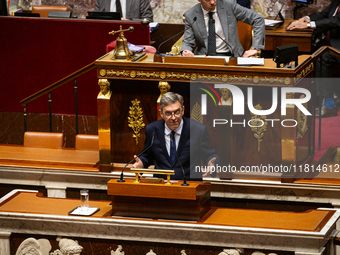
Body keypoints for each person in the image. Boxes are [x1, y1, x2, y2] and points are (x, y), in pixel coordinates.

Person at [133, 92, 219, 181]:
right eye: (168, 114)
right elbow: (147, 155)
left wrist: (211, 164)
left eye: (177, 112)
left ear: (183, 110)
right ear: (161, 113)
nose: (173, 118)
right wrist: (142, 163)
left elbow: (210, 155)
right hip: (161, 186)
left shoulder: (198, 130)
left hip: (189, 185)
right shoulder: (152, 130)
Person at [287, 0, 340, 117]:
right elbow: (324, 14)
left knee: (323, 56)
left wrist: (308, 25)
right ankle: (321, 95)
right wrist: (306, 18)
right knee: (315, 50)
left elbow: (337, 21)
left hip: (338, 47)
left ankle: (329, 104)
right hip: (334, 44)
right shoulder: (337, 2)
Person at [180, 0, 265, 57]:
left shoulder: (229, 6)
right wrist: (186, 51)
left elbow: (258, 19)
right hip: (205, 58)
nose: (212, 2)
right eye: (208, 0)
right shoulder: (191, 15)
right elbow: (188, 42)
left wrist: (256, 48)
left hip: (231, 56)